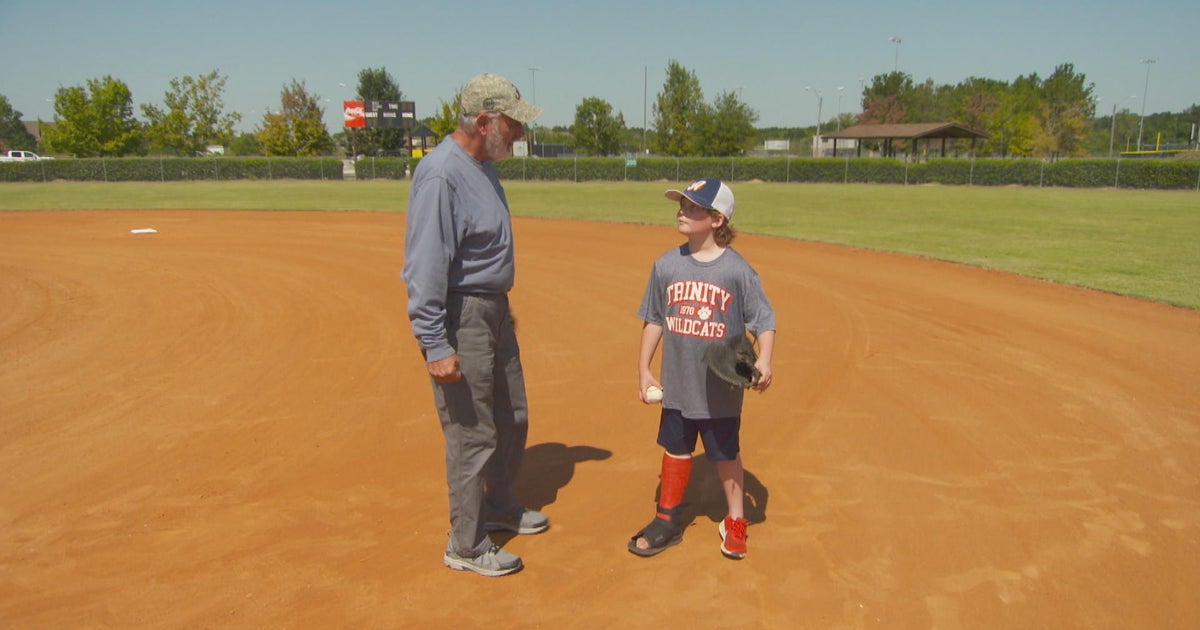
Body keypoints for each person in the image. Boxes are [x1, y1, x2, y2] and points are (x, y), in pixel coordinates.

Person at [401, 73, 547, 577]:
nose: (520, 133)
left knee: (514, 417)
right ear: (483, 122)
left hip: (493, 313)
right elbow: (423, 266)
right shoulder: (442, 173)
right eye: (513, 123)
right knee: (471, 432)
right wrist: (435, 343)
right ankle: (465, 542)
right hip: (461, 316)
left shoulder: (481, 165)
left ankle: (499, 502)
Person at [629, 178, 776, 560]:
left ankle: (736, 520)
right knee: (675, 450)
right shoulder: (666, 265)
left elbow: (764, 320)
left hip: (719, 391)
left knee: (725, 454)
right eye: (682, 204)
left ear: (716, 218)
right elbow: (654, 319)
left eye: (692, 207)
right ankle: (666, 519)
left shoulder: (736, 270)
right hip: (677, 384)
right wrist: (644, 369)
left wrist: (764, 360)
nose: (682, 211)